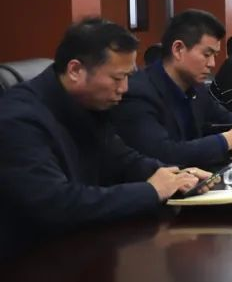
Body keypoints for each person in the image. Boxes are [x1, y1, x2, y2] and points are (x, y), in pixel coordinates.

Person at [0, 19, 211, 258]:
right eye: (117, 78)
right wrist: (151, 191)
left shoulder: (87, 103)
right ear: (75, 70)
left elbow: (122, 159)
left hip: (83, 248)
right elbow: (57, 204)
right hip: (30, 260)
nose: (125, 88)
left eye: (128, 77)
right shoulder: (18, 119)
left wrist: (175, 176)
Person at [113, 10, 232, 169]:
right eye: (206, 54)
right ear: (178, 49)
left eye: (214, 55)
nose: (212, 64)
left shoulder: (196, 87)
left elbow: (223, 117)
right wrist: (228, 140)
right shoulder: (138, 93)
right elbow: (162, 154)